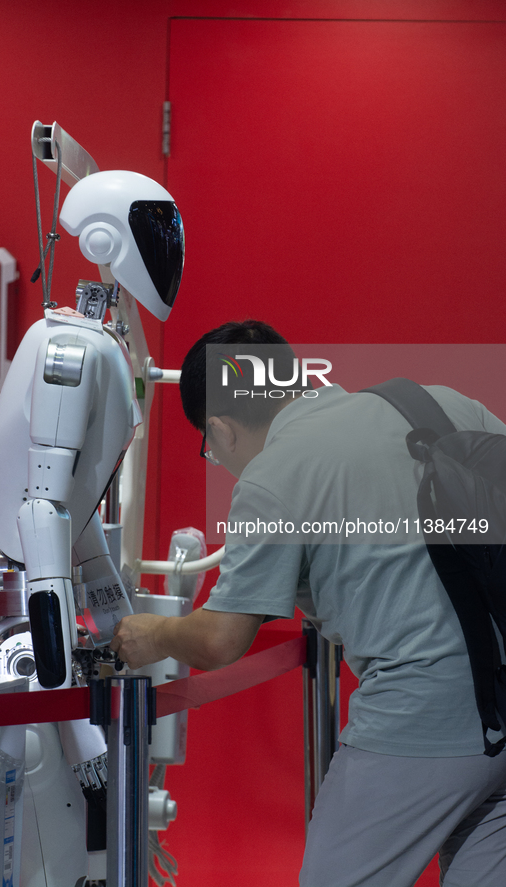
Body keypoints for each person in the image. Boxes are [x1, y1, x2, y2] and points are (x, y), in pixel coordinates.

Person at [110, 319, 506, 887]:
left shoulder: (274, 476)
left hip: (421, 717)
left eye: (208, 447)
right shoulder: (438, 404)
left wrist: (152, 634)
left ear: (219, 429)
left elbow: (223, 639)